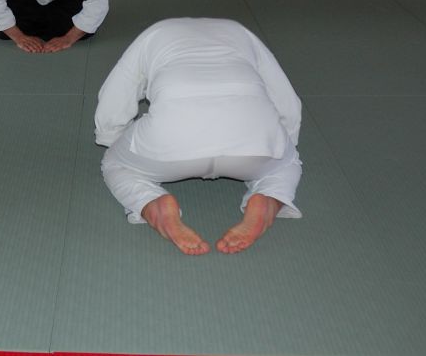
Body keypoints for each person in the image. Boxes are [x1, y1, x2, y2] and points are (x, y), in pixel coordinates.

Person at [94, 18, 302, 255]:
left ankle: (152, 204)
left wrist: (113, 138)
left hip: (172, 138)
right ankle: (269, 199)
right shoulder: (241, 32)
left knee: (115, 165)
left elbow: (117, 92)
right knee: (287, 165)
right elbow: (285, 99)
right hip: (253, 136)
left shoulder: (155, 33)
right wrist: (285, 141)